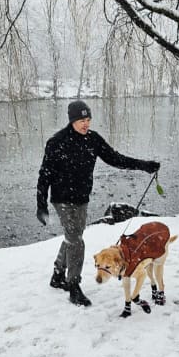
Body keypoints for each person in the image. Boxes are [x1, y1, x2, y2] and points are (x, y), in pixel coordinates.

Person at [36, 100, 160, 307]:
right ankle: (73, 286)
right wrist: (41, 204)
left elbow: (115, 158)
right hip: (62, 199)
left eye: (88, 120)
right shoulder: (57, 142)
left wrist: (143, 166)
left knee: (72, 236)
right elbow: (45, 174)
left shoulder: (93, 140)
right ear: (72, 121)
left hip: (82, 199)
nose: (86, 124)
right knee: (76, 240)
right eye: (81, 120)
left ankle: (58, 275)